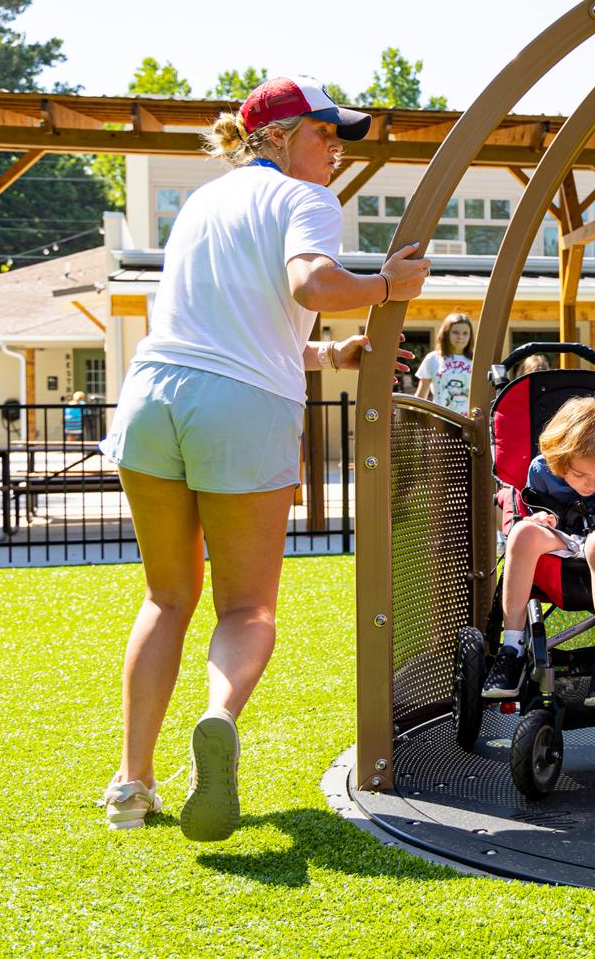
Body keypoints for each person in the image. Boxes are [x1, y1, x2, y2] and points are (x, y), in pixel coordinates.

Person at [96, 76, 431, 839]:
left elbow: (229, 325)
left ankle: (131, 786)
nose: (336, 153)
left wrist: (322, 351)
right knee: (246, 608)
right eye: (324, 134)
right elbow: (312, 280)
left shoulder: (201, 205)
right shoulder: (304, 201)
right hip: (240, 410)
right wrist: (387, 284)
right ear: (276, 137)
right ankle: (217, 716)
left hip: (150, 397)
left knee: (164, 598)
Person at [482, 396, 595, 706]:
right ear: (561, 459)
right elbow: (537, 504)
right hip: (565, 539)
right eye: (580, 475)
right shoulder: (543, 469)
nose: (591, 484)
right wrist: (543, 516)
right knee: (523, 533)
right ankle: (512, 646)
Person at [415, 312, 474, 412]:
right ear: (446, 333)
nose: (460, 337)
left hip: (468, 423)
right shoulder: (433, 358)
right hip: (440, 420)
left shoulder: (476, 360)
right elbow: (421, 396)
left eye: (465, 333)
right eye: (455, 332)